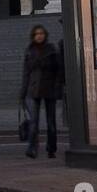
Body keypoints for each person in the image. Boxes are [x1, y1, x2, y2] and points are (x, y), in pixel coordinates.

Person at [20, 24, 62, 159]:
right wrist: (23, 92)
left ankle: (51, 148)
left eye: (42, 33)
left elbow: (58, 71)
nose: (39, 36)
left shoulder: (51, 50)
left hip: (49, 88)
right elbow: (26, 73)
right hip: (34, 89)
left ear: (45, 35)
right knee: (33, 121)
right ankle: (32, 148)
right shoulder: (29, 51)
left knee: (51, 122)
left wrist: (57, 87)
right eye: (37, 34)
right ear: (33, 36)